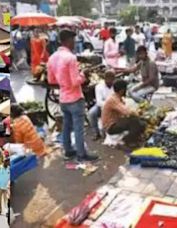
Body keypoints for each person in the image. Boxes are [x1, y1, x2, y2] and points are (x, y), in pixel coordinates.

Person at [47, 29, 98, 161]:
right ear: (68, 41)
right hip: (75, 98)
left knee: (66, 126)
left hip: (63, 98)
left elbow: (51, 81)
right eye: (73, 40)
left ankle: (68, 150)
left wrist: (63, 82)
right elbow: (76, 81)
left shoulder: (52, 58)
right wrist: (84, 74)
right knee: (78, 128)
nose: (75, 43)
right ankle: (82, 154)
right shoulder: (70, 58)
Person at [101, 79, 146, 147]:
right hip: (110, 126)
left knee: (141, 123)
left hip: (116, 122)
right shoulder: (113, 100)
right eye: (125, 89)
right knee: (134, 120)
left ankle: (134, 138)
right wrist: (137, 113)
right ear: (122, 91)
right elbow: (126, 111)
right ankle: (127, 140)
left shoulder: (117, 97)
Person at [88, 71, 115, 140]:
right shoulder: (99, 87)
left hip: (114, 106)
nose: (110, 81)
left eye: (111, 79)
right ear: (105, 78)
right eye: (108, 79)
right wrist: (108, 104)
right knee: (92, 113)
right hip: (101, 106)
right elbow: (99, 101)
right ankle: (96, 133)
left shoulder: (115, 86)